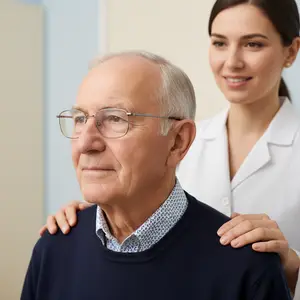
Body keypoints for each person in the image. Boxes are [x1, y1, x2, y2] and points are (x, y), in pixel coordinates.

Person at [41, 0, 300, 298]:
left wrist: (291, 265)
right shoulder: (173, 139)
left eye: (253, 44)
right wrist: (92, 217)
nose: (232, 62)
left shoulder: (171, 135)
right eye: (219, 43)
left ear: (291, 51)